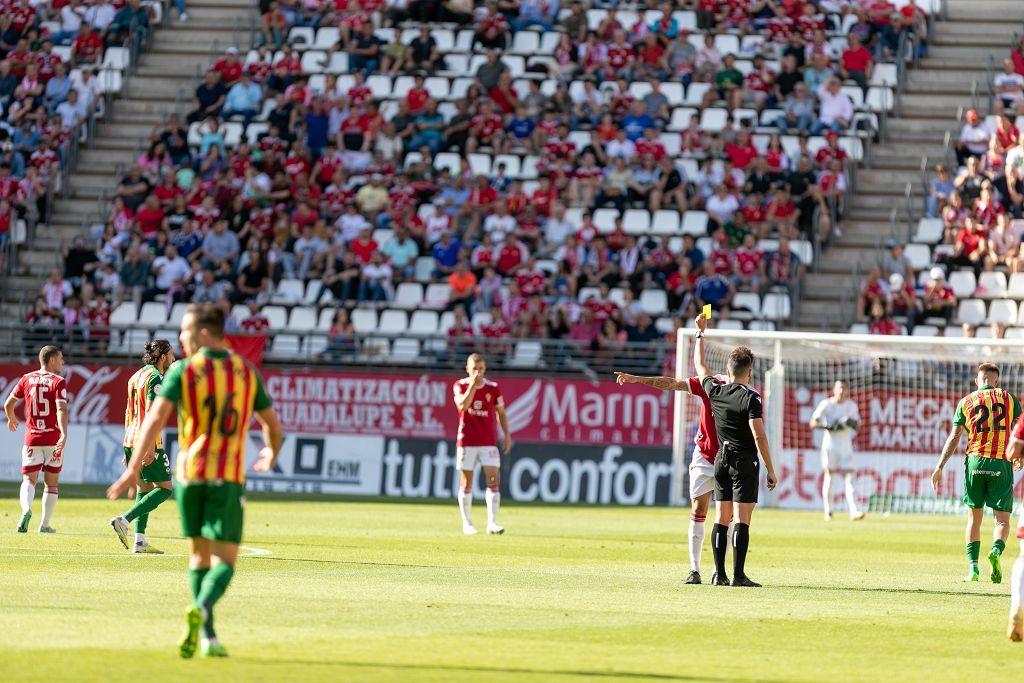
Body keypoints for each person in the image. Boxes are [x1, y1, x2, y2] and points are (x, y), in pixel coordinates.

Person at [106, 303, 283, 659]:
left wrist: (131, 468)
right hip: (227, 476)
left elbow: (155, 420)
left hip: (190, 476)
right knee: (225, 562)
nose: (181, 340)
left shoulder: (183, 372)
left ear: (203, 333)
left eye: (185, 332)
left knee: (199, 558)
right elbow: (272, 426)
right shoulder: (245, 371)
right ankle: (202, 610)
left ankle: (208, 636)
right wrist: (271, 452)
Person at [613, 368, 725, 585]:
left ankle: (719, 572)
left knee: (725, 516)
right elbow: (673, 383)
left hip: (728, 458)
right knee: (699, 509)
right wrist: (638, 378)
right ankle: (694, 570)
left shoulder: (745, 392)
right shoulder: (712, 384)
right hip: (704, 455)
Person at [693, 315, 777, 587]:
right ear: (749, 373)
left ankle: (719, 574)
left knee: (721, 518)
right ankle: (738, 575)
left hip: (721, 460)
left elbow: (700, 365)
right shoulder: (752, 397)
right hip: (744, 461)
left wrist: (700, 335)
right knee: (742, 520)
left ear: (728, 372)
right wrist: (770, 469)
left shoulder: (716, 391)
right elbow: (759, 434)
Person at [931, 363, 1020, 583]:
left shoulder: (966, 401)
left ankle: (973, 570)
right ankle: (996, 551)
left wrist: (940, 466)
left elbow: (954, 437)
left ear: (977, 380)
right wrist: (1020, 456)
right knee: (1002, 521)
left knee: (974, 518)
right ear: (996, 381)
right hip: (1000, 462)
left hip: (975, 463)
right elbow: (1020, 431)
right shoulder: (1008, 399)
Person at [108, 339, 177, 554]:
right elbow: (150, 412)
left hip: (131, 437)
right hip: (147, 440)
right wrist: (147, 447)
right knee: (165, 488)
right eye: (172, 354)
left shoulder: (135, 376)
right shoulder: (156, 377)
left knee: (143, 488)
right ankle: (124, 520)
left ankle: (139, 541)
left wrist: (129, 447)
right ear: (163, 356)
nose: (174, 359)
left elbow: (128, 412)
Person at [5, 346, 69, 534]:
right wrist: (64, 434)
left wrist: (11, 417)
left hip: (32, 438)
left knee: (28, 480)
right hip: (53, 438)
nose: (62, 362)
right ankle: (45, 524)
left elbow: (8, 403)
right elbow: (61, 409)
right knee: (51, 484)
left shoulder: (27, 378)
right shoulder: (58, 382)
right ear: (51, 360)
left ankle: (26, 510)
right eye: (60, 359)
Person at [452, 353, 512, 535]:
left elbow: (501, 413)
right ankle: (467, 524)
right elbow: (462, 406)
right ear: (467, 369)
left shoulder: (493, 388)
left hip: (488, 441)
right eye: (474, 369)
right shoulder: (460, 385)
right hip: (466, 441)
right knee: (466, 481)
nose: (478, 372)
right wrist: (473, 385)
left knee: (493, 480)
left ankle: (492, 523)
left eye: (481, 369)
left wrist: (507, 434)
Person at [809, 380, 865, 522]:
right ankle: (828, 511)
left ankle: (853, 510)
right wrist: (827, 426)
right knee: (830, 476)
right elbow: (813, 422)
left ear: (847, 391)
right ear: (834, 390)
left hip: (845, 444)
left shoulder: (851, 406)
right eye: (839, 388)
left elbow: (858, 426)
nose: (841, 391)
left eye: (844, 388)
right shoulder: (827, 404)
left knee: (850, 475)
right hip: (830, 443)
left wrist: (851, 423)